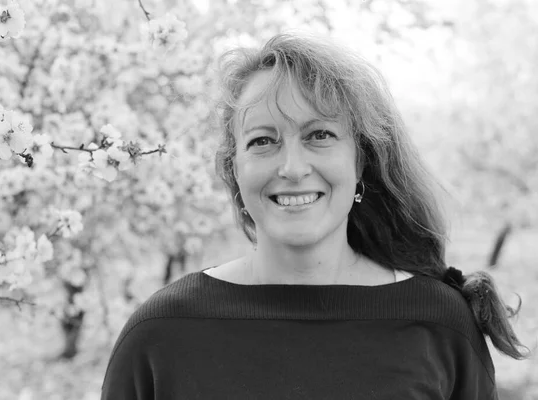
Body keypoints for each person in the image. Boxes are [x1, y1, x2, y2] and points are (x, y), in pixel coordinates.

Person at [100, 33, 532, 399]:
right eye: (263, 141)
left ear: (361, 161)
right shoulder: (160, 334)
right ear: (235, 170)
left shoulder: (440, 325)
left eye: (319, 135)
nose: (291, 167)